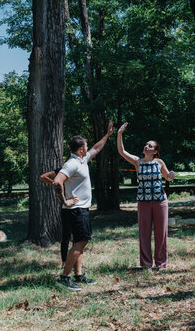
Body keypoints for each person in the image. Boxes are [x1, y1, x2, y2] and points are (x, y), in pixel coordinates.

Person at [53, 121, 114, 291]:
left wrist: (108, 135)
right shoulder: (72, 164)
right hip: (75, 210)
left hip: (79, 210)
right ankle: (63, 278)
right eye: (85, 146)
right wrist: (64, 201)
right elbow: (57, 181)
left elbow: (96, 148)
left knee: (80, 242)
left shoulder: (82, 160)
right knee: (81, 242)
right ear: (80, 150)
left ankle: (78, 275)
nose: (88, 148)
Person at [117, 122, 174, 270]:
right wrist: (119, 135)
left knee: (161, 233)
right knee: (144, 233)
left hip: (160, 201)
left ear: (155, 151)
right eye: (146, 145)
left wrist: (172, 175)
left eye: (150, 146)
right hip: (143, 201)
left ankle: (161, 264)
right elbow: (122, 151)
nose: (146, 147)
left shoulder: (159, 162)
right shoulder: (138, 161)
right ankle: (146, 264)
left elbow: (168, 177)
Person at [39, 169, 78, 269]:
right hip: (67, 206)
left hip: (77, 205)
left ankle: (75, 262)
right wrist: (55, 184)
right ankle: (65, 262)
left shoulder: (76, 168)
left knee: (76, 237)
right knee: (67, 236)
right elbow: (43, 177)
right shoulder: (64, 170)